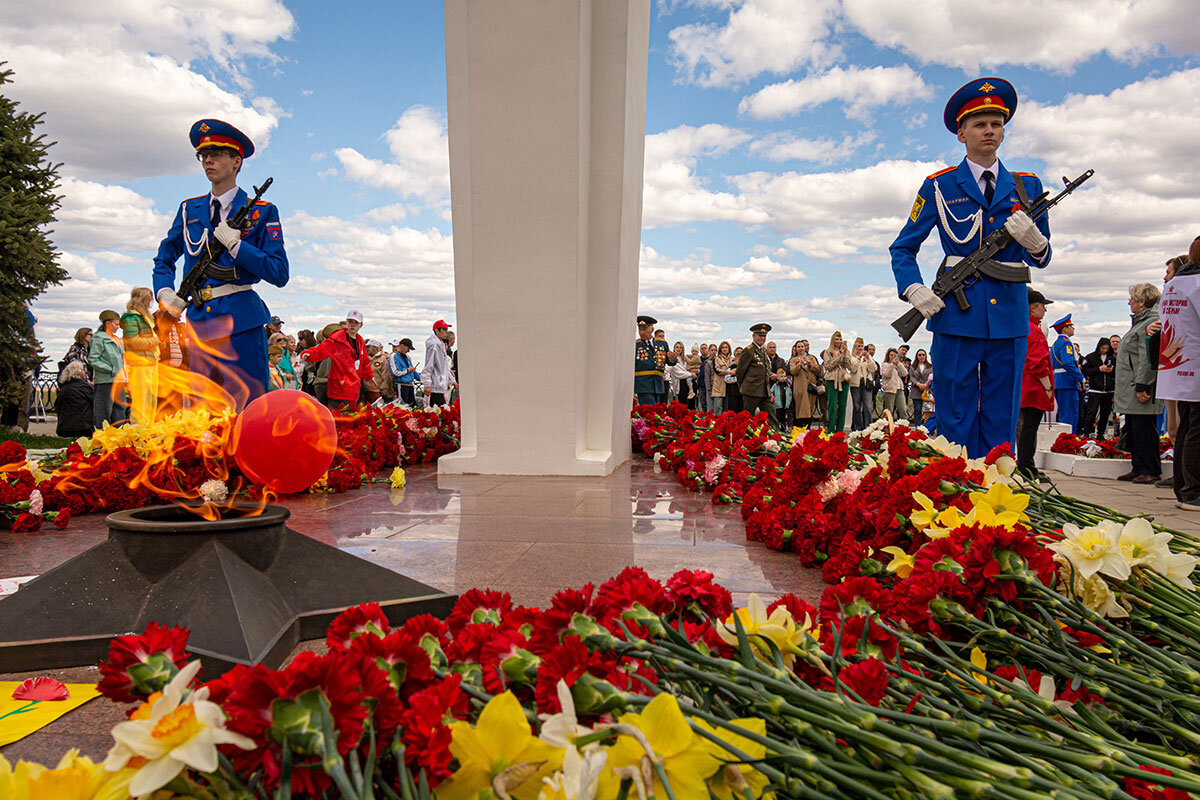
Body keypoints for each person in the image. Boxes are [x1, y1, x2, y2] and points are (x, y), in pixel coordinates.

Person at [890, 77, 1052, 457]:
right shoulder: (939, 186)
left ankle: (998, 489)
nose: (990, 131)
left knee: (1001, 414)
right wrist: (913, 288)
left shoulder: (1026, 186)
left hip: (1009, 316)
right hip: (957, 315)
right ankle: (956, 488)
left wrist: (1036, 242)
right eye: (980, 124)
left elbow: (1042, 258)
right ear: (962, 133)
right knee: (954, 411)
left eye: (997, 123)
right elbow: (903, 248)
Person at [152, 119, 289, 409]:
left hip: (241, 323)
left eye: (216, 154)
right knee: (204, 413)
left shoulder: (262, 211)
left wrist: (237, 246)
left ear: (237, 161)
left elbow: (279, 272)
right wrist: (164, 292)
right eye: (203, 156)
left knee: (248, 409)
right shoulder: (190, 208)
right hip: (200, 324)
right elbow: (165, 255)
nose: (208, 161)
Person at [1156, 240, 1200, 508]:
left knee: (1187, 426)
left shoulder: (1174, 285)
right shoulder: (1196, 285)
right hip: (1194, 362)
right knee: (1196, 427)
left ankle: (1182, 486)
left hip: (1179, 364)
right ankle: (1193, 490)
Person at [1115, 282, 1164, 484]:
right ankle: (1138, 466)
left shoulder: (1149, 323)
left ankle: (1150, 469)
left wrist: (1143, 384)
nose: (1129, 303)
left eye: (1132, 300)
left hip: (1139, 386)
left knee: (1144, 429)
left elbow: (1146, 358)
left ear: (1142, 302)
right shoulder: (1141, 322)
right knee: (1134, 428)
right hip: (1131, 386)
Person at [1017, 289, 1055, 480]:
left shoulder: (1023, 327)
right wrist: (1047, 388)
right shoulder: (1035, 331)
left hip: (1024, 386)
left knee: (1026, 430)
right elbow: (1038, 363)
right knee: (1029, 431)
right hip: (1034, 388)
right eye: (1043, 306)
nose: (1045, 310)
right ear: (1033, 307)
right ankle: (1026, 467)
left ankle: (1026, 465)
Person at [301, 311, 373, 410]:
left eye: (355, 322)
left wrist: (369, 377)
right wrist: (309, 354)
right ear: (346, 322)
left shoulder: (360, 341)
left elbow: (364, 362)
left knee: (351, 419)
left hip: (353, 389)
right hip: (338, 389)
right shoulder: (336, 340)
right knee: (338, 419)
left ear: (361, 325)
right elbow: (321, 350)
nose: (352, 325)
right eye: (350, 321)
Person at [121, 287, 159, 424]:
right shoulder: (132, 318)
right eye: (148, 299)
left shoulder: (143, 318)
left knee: (151, 399)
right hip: (139, 362)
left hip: (150, 361)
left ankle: (148, 430)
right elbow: (133, 341)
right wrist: (155, 341)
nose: (150, 303)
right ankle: (139, 431)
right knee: (141, 400)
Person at [1049, 314, 1085, 433]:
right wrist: (1080, 377)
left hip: (1058, 380)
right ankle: (1069, 440)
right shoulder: (1065, 342)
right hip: (1067, 381)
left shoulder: (1055, 344)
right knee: (1070, 415)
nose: (1073, 328)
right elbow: (1068, 363)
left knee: (1064, 413)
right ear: (1065, 329)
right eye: (1071, 326)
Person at [89, 310, 125, 428]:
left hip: (118, 380)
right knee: (104, 411)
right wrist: (110, 369)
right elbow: (93, 359)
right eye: (116, 324)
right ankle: (102, 436)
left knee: (120, 409)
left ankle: (119, 436)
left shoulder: (116, 339)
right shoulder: (99, 338)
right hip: (105, 381)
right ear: (108, 323)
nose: (118, 327)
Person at [736, 324, 776, 427]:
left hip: (764, 390)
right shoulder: (749, 351)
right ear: (753, 336)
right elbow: (740, 372)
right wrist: (743, 388)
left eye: (764, 336)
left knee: (771, 415)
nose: (762, 338)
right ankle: (744, 439)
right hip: (751, 390)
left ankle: (775, 438)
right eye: (759, 335)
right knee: (747, 418)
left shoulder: (764, 351)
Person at [1080, 338, 1116, 439]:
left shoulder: (1112, 358)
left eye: (1106, 348)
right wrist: (1099, 369)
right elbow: (1085, 371)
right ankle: (1086, 433)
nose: (1104, 350)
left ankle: (1101, 434)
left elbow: (1116, 372)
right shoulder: (1090, 357)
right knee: (1092, 412)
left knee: (1105, 413)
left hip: (1108, 390)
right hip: (1095, 389)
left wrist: (1111, 371)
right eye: (1102, 348)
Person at [54, 360, 95, 439]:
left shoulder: (63, 388)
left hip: (63, 429)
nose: (85, 372)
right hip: (83, 429)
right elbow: (95, 402)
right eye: (83, 370)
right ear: (78, 372)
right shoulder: (84, 387)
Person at [634, 315, 668, 405]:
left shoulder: (662, 343)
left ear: (652, 330)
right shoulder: (636, 345)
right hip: (643, 384)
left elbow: (669, 360)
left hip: (658, 384)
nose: (642, 332)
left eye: (644, 329)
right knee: (649, 411)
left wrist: (672, 359)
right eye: (640, 329)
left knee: (658, 412)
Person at [821, 331, 851, 432]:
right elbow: (828, 366)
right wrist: (838, 358)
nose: (838, 341)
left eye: (840, 339)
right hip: (831, 380)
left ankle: (840, 431)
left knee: (842, 406)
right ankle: (831, 430)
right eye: (837, 339)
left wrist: (845, 354)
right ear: (833, 340)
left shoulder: (846, 351)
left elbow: (849, 366)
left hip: (844, 380)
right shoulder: (827, 351)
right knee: (832, 406)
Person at [421, 319, 455, 407]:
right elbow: (429, 365)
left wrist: (452, 380)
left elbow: (445, 367)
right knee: (436, 413)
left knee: (443, 412)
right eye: (444, 330)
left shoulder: (440, 344)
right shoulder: (434, 345)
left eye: (447, 329)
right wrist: (427, 384)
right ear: (437, 331)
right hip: (435, 386)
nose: (446, 332)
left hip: (440, 386)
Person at [790, 340, 820, 429]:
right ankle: (800, 427)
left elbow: (817, 369)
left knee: (809, 407)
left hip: (810, 386)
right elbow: (792, 371)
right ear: (795, 348)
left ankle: (808, 427)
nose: (800, 348)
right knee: (801, 407)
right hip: (799, 387)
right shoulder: (793, 360)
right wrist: (799, 365)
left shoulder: (811, 358)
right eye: (798, 347)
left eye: (802, 346)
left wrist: (810, 364)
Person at [848, 337, 874, 431]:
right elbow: (853, 369)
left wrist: (867, 357)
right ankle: (858, 427)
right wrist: (859, 358)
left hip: (866, 383)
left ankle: (868, 427)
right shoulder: (852, 357)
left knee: (868, 406)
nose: (860, 348)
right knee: (857, 406)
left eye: (862, 346)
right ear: (855, 347)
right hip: (856, 384)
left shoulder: (867, 357)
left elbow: (873, 368)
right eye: (858, 346)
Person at [766, 341, 792, 429]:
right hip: (768, 385)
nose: (772, 349)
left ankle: (782, 428)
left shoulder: (781, 360)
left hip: (780, 387)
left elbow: (786, 372)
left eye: (774, 347)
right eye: (770, 347)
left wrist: (778, 376)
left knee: (780, 411)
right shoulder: (765, 359)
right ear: (767, 348)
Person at [880, 347, 909, 421]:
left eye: (894, 355)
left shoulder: (898, 365)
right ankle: (889, 427)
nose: (893, 357)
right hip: (890, 390)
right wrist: (892, 364)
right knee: (889, 411)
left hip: (899, 389)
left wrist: (898, 363)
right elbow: (886, 374)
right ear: (888, 356)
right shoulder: (885, 365)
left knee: (903, 409)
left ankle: (904, 427)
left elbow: (905, 373)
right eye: (891, 355)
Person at [389, 338, 419, 405]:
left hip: (410, 385)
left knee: (413, 406)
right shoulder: (394, 356)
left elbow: (413, 372)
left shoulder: (407, 357)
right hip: (401, 385)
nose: (408, 351)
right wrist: (407, 370)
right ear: (402, 345)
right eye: (408, 348)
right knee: (402, 406)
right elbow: (395, 372)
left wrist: (423, 378)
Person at [909, 350, 933, 421]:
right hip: (916, 390)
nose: (921, 356)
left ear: (926, 356)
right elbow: (911, 376)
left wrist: (925, 385)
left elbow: (931, 376)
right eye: (919, 355)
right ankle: (918, 427)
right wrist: (918, 384)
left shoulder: (930, 366)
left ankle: (928, 427)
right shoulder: (912, 367)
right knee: (917, 410)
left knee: (928, 410)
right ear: (916, 356)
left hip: (927, 390)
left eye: (923, 354)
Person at [711, 341, 733, 413]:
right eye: (723, 348)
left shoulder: (732, 359)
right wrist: (728, 372)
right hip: (719, 387)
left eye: (726, 347)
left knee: (726, 410)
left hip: (729, 387)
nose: (724, 349)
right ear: (720, 349)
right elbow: (717, 370)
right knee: (718, 408)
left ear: (729, 349)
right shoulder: (716, 359)